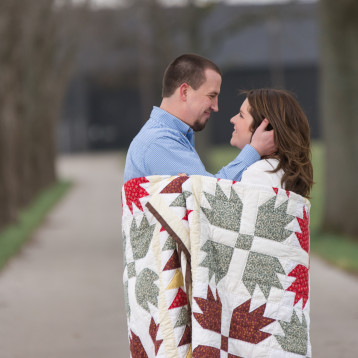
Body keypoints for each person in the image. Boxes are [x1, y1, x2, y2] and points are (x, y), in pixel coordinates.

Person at [123, 53, 276, 183]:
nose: (216, 107)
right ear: (184, 92)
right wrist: (254, 150)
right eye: (211, 96)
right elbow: (212, 197)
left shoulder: (169, 137)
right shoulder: (159, 142)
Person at [230, 88, 313, 198]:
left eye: (241, 115)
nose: (232, 119)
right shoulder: (285, 171)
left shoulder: (259, 173)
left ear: (265, 128)